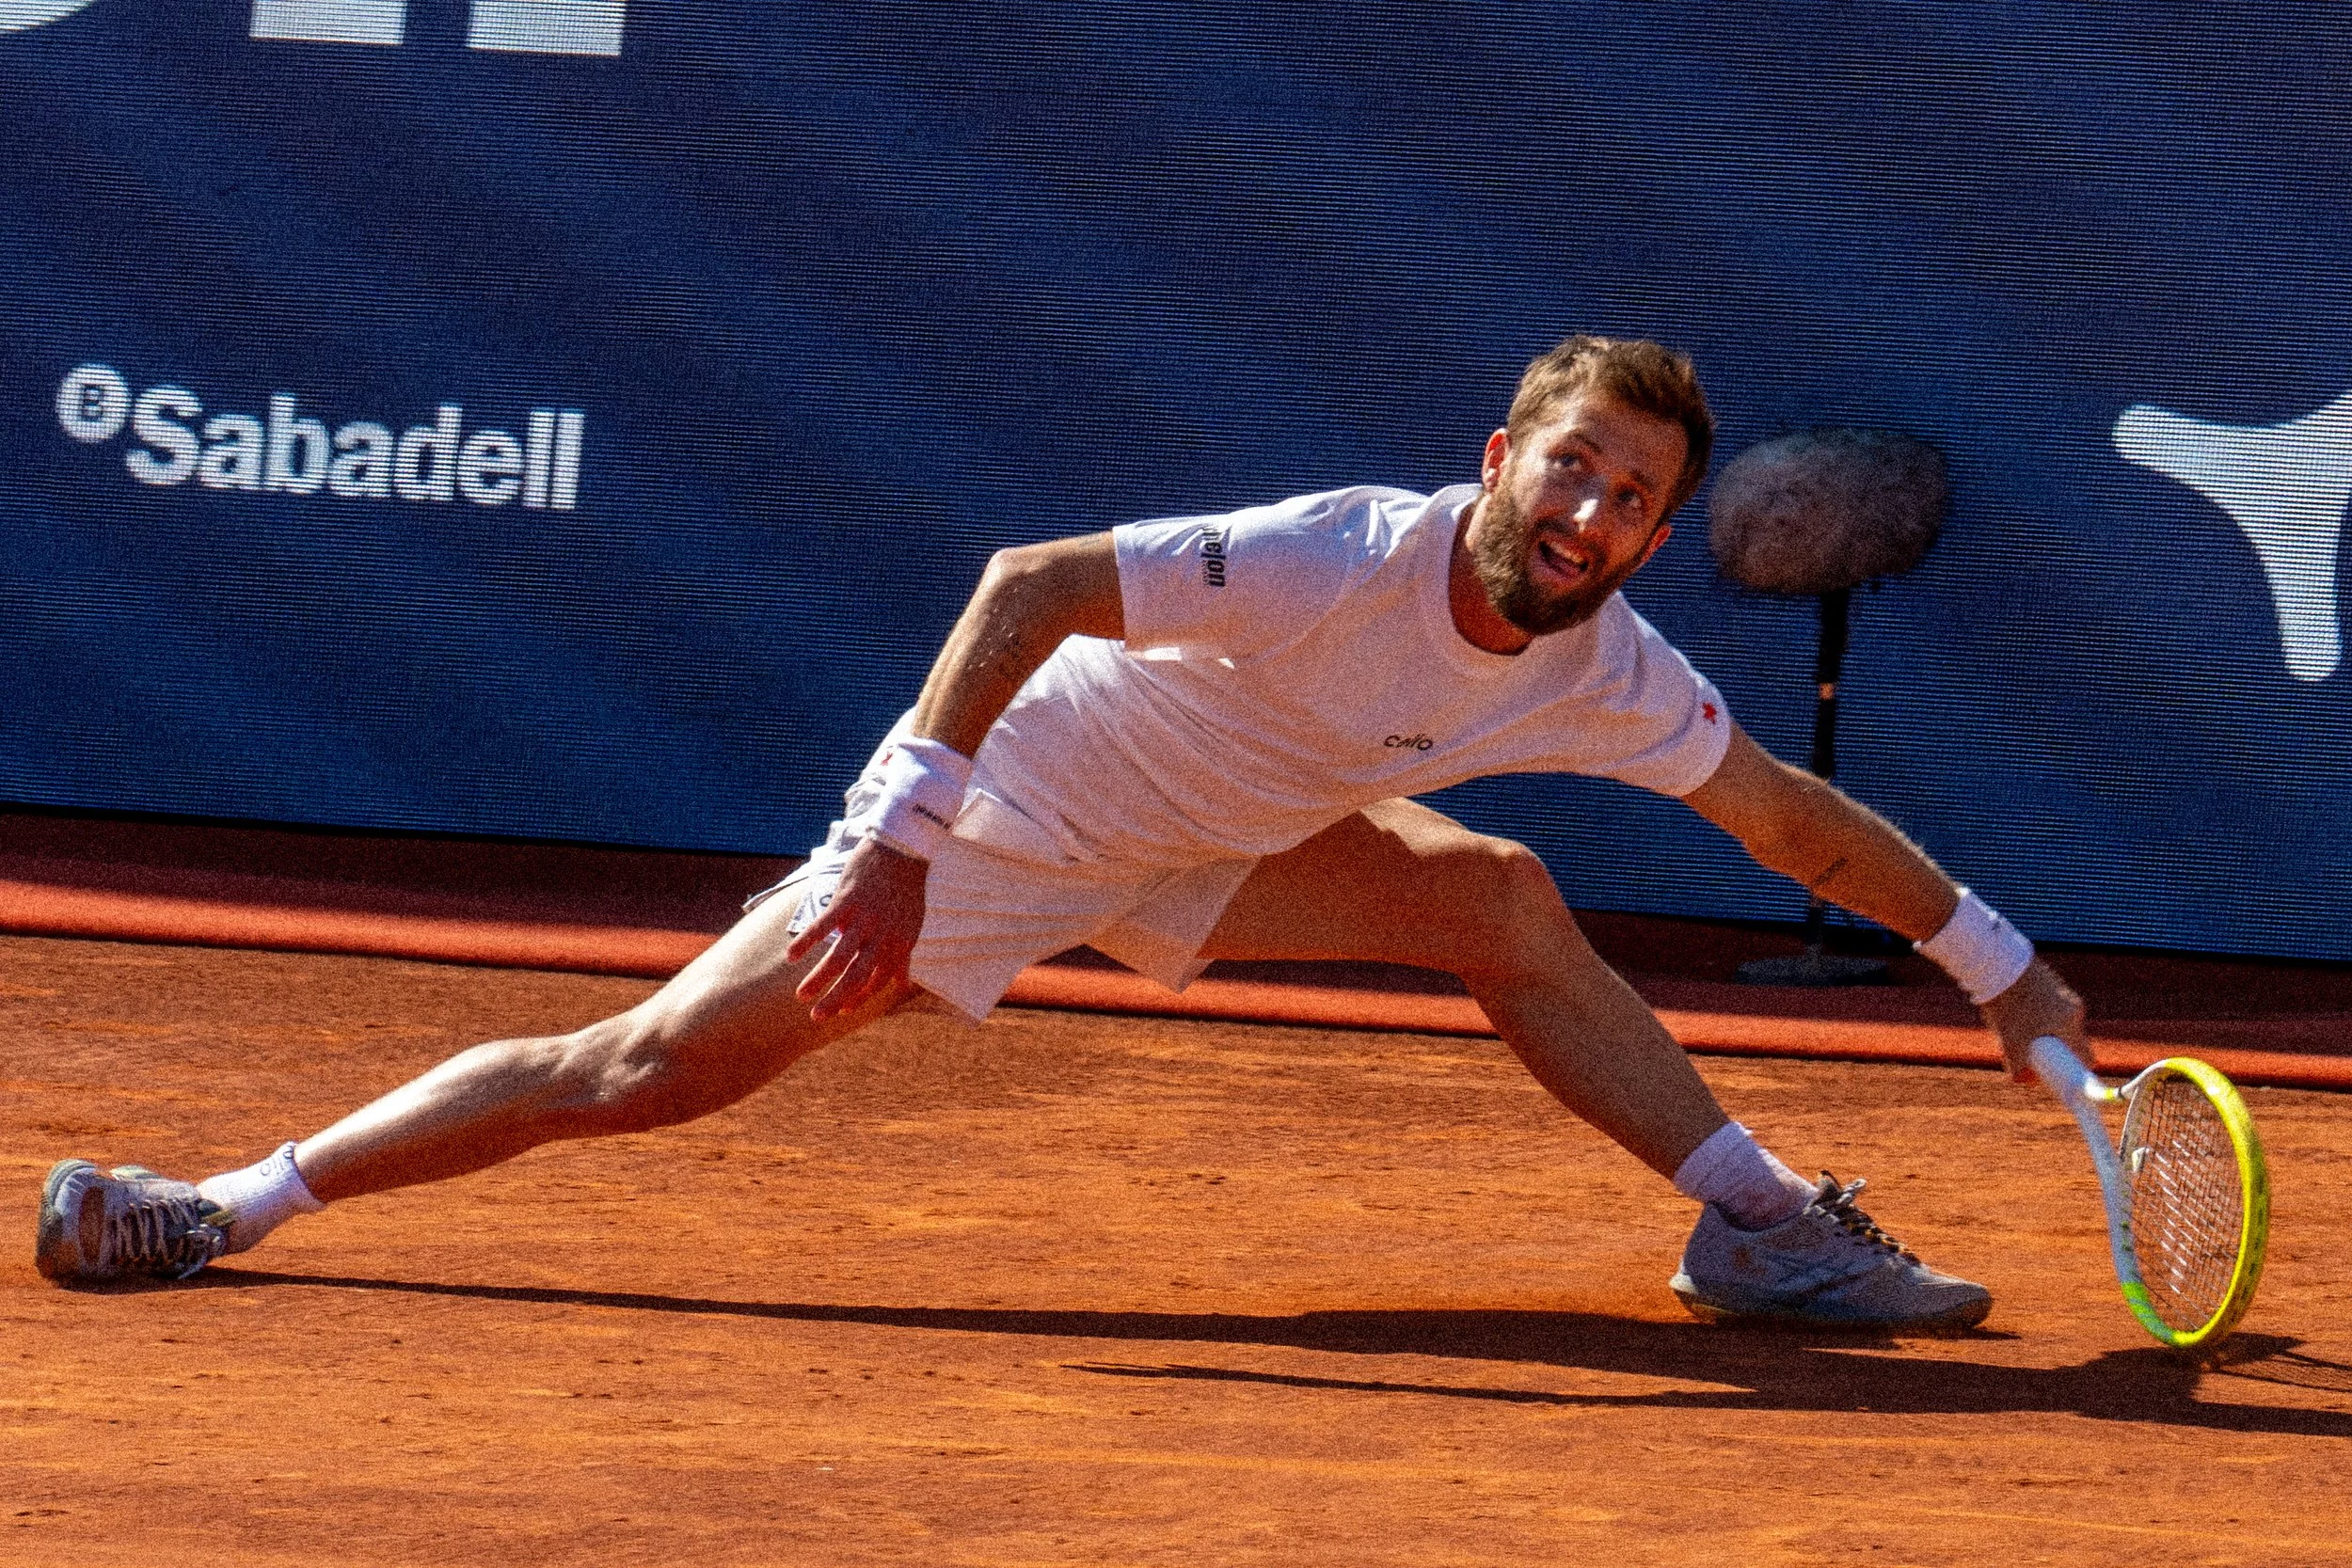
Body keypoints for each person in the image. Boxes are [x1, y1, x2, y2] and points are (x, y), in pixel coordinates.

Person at [37, 335, 2086, 1328]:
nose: (1593, 519)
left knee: (1493, 892)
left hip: (1212, 836)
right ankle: (217, 1198)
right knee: (636, 1070)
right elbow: (1022, 584)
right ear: (1502, 457)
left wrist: (1996, 963)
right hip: (1007, 810)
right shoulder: (1326, 555)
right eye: (1573, 470)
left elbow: (1777, 816)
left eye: (1630, 500)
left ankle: (1754, 1226)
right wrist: (914, 836)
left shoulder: (1601, 661)